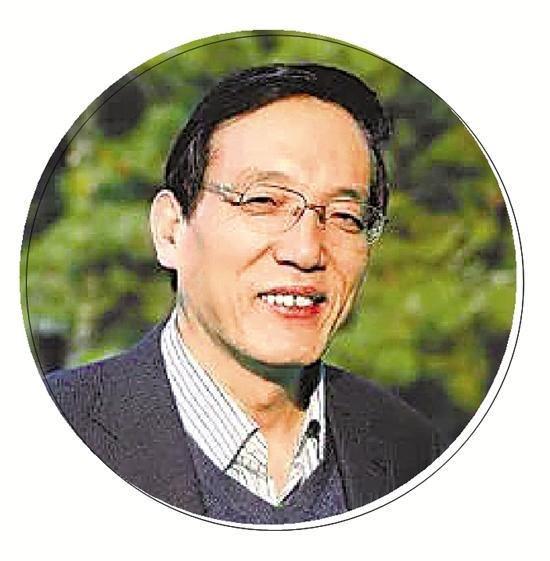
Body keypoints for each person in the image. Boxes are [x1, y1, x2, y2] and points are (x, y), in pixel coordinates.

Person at [47, 63, 444, 525]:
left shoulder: (409, 449)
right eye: (264, 202)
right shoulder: (53, 430)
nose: (306, 251)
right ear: (171, 230)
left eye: (343, 216)